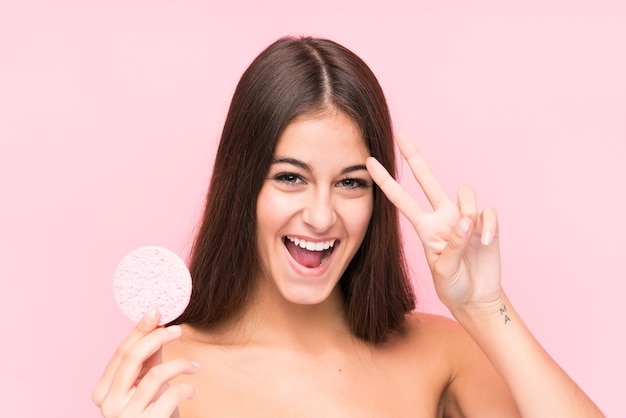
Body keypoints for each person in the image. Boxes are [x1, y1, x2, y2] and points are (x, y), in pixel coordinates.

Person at [92, 36, 603, 417]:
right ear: (242, 186)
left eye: (351, 183)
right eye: (291, 177)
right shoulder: (165, 377)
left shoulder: (439, 355)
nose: (320, 216)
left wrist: (486, 308)